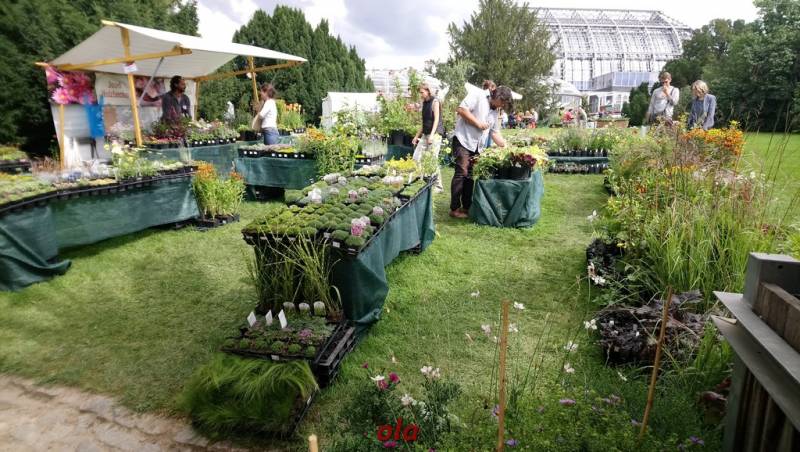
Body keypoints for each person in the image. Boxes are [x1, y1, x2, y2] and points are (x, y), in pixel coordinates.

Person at [449, 85, 512, 219]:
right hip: (463, 140)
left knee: (470, 176)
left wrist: (506, 146)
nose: (503, 106)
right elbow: (461, 109)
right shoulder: (478, 95)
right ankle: (454, 208)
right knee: (462, 173)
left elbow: (494, 133)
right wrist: (478, 123)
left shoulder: (495, 112)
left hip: (477, 146)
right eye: (503, 102)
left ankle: (466, 207)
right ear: (498, 97)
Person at [412, 83, 444, 192]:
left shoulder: (435, 102)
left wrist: (432, 135)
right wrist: (416, 136)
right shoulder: (425, 103)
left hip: (435, 134)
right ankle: (422, 181)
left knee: (432, 160)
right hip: (425, 134)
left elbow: (436, 119)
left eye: (422, 92)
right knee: (416, 157)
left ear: (428, 91)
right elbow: (424, 122)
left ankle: (438, 186)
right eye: (420, 92)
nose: (421, 94)